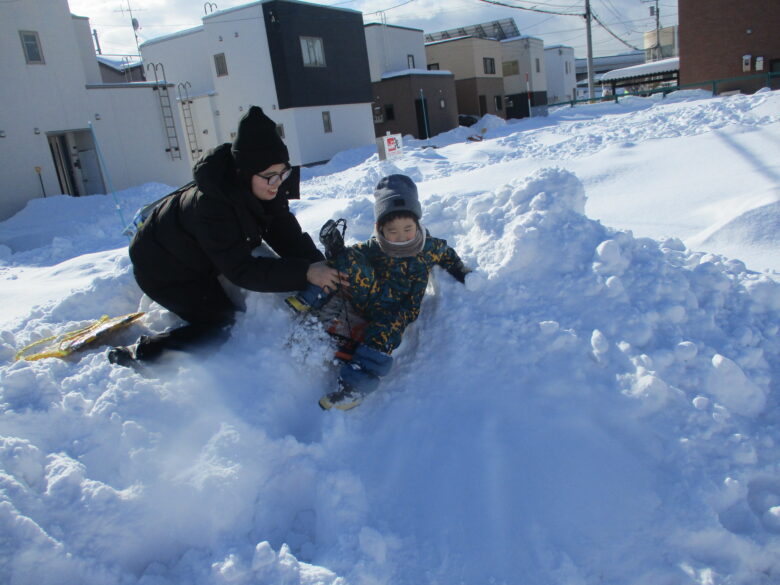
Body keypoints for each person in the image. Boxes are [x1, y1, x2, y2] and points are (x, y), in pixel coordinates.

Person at [109, 106, 345, 365]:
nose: (278, 183)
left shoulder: (265, 185)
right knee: (220, 322)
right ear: (243, 173)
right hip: (162, 268)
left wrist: (321, 267)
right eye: (270, 176)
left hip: (199, 254)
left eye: (283, 173)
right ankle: (144, 353)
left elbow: (285, 232)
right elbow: (242, 270)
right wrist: (306, 273)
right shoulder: (211, 205)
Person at [288, 174, 468, 410]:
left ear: (418, 224)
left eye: (408, 229)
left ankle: (353, 388)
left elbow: (449, 256)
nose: (401, 236)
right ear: (379, 228)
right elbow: (354, 256)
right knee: (349, 258)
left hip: (399, 310)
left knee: (384, 333)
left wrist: (463, 272)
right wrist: (337, 251)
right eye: (392, 231)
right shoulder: (376, 247)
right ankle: (311, 298)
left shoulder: (429, 248)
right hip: (372, 296)